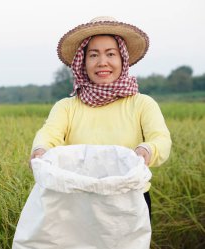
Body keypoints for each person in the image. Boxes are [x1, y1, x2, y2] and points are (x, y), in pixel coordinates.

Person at [29, 16, 172, 218]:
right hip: (76, 201)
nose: (102, 62)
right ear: (83, 62)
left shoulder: (142, 104)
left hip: (129, 201)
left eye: (111, 54)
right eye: (94, 55)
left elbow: (161, 139)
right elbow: (49, 134)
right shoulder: (66, 107)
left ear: (123, 59)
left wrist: (146, 150)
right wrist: (40, 150)